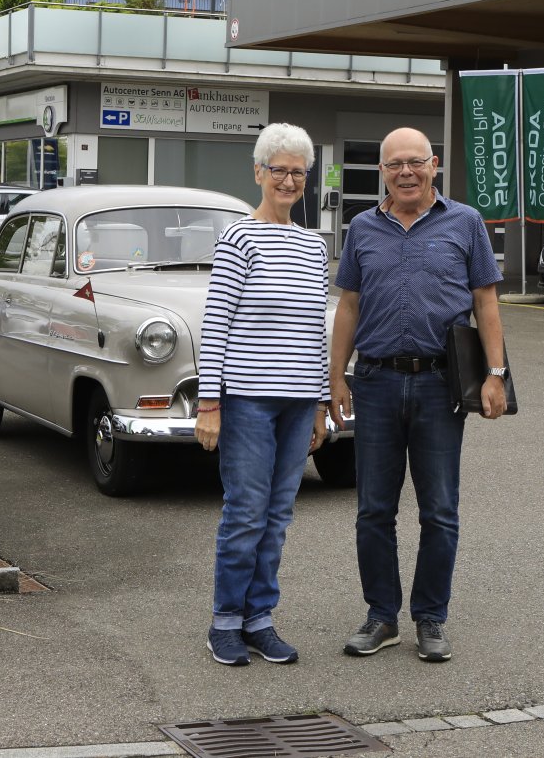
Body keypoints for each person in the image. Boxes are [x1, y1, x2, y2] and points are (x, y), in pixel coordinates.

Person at [329, 126, 507, 663]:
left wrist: (496, 373)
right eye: (394, 164)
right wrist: (335, 377)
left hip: (439, 384)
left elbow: (486, 301)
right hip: (376, 382)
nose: (405, 172)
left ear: (434, 165)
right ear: (382, 172)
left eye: (415, 162)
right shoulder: (362, 227)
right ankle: (381, 616)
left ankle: (430, 618)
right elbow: (349, 306)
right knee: (373, 511)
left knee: (440, 510)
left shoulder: (466, 222)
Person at [196, 123, 331, 666]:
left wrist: (321, 403)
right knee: (247, 514)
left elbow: (316, 330)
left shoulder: (314, 246)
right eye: (279, 170)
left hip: (299, 403)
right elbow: (215, 324)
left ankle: (260, 619)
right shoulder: (238, 238)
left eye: (299, 172)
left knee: (277, 517)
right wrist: (209, 404)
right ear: (258, 173)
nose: (289, 181)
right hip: (248, 400)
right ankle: (225, 621)